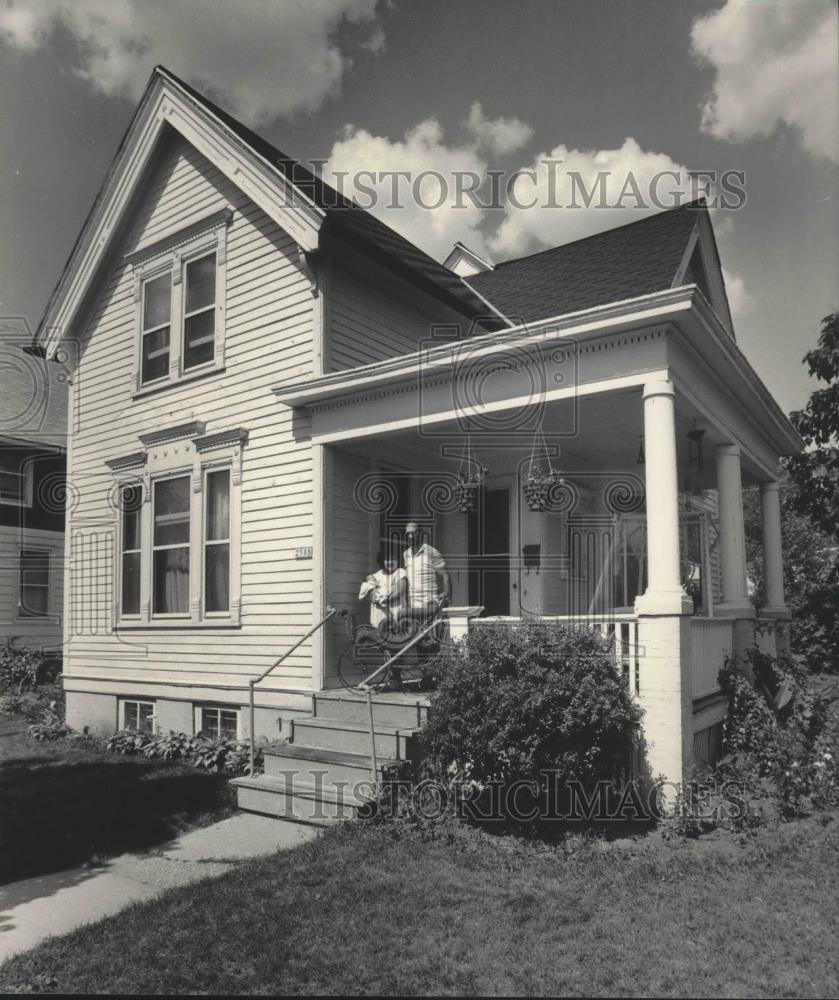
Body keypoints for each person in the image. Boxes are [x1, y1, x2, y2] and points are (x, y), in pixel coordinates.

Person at [403, 521, 451, 619]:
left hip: (430, 602)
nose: (411, 536)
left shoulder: (431, 552)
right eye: (408, 534)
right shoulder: (405, 554)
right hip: (413, 603)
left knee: (432, 633)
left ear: (420, 534)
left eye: (413, 533)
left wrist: (447, 593)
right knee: (415, 633)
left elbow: (445, 575)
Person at [358, 549, 408, 632]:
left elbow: (398, 591)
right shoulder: (375, 576)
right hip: (379, 618)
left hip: (397, 617)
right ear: (382, 561)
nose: (390, 562)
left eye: (393, 559)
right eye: (387, 559)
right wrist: (372, 594)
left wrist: (380, 598)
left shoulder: (401, 572)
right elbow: (370, 596)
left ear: (398, 560)